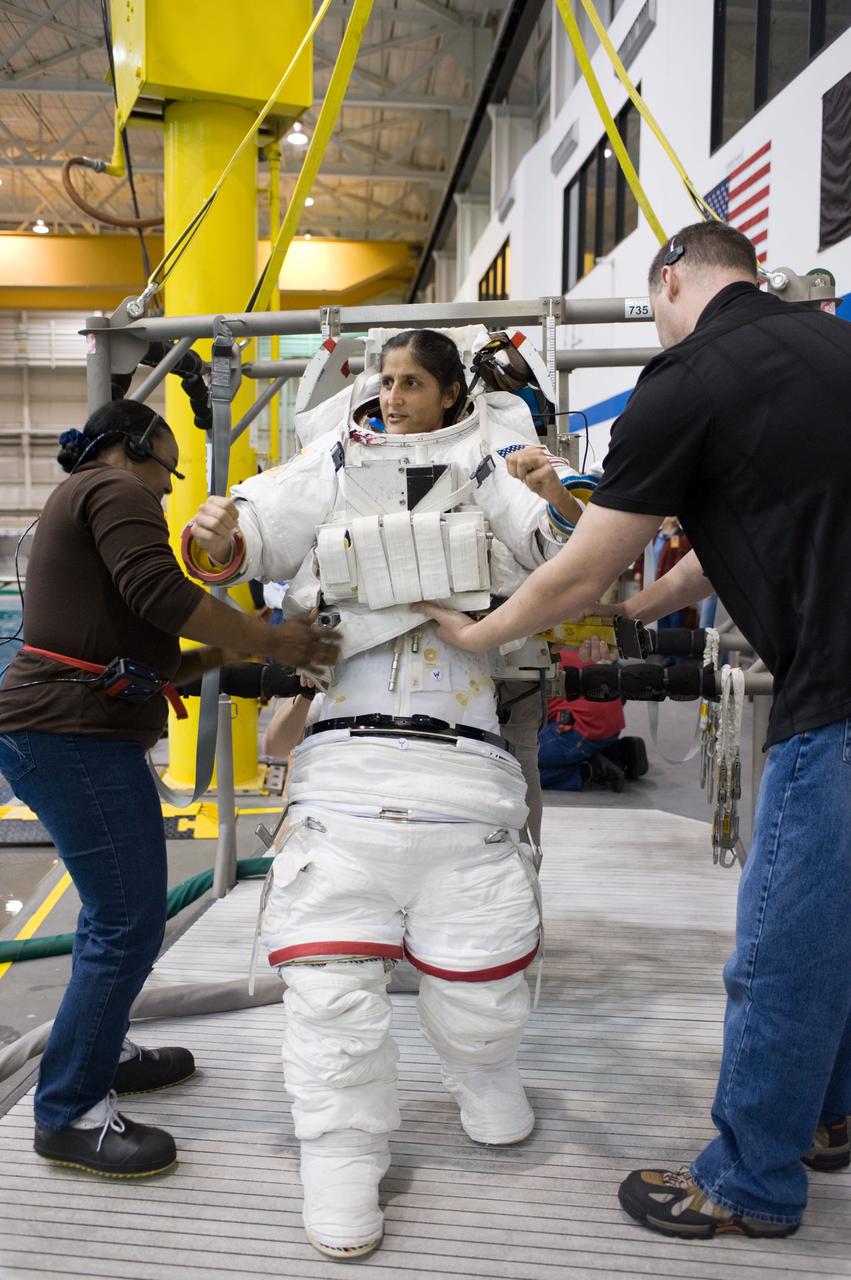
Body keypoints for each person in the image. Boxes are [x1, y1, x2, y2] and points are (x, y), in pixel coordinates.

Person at [416, 220, 851, 1241]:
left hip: (836, 696)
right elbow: (730, 537)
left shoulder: (686, 377)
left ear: (668, 280)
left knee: (781, 952)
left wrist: (480, 631)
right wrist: (634, 611)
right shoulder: (829, 346)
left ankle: (747, 1180)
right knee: (837, 929)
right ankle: (824, 1114)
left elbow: (583, 564)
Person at [185, 328, 585, 1259]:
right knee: (329, 1002)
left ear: (451, 393)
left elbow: (564, 547)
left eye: (412, 383)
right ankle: (340, 1154)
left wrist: (559, 494)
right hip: (345, 775)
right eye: (385, 380)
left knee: (483, 989)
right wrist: (217, 536)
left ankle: (483, 1073)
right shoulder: (332, 459)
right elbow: (252, 534)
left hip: (464, 775)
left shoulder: (494, 457)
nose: (394, 396)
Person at [0, 400, 338, 1180]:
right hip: (69, 734)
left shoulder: (86, 499)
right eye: (166, 472)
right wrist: (274, 636)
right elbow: (159, 594)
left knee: (117, 914)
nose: (165, 490)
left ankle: (100, 1050)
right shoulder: (112, 486)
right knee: (127, 921)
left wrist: (256, 666)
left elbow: (154, 658)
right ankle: (68, 1112)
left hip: (66, 730)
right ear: (132, 446)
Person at [538, 648, 645, 792]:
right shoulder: (559, 649)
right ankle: (614, 753)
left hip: (580, 728)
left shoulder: (521, 664)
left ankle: (592, 770)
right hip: (608, 722)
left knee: (518, 767)